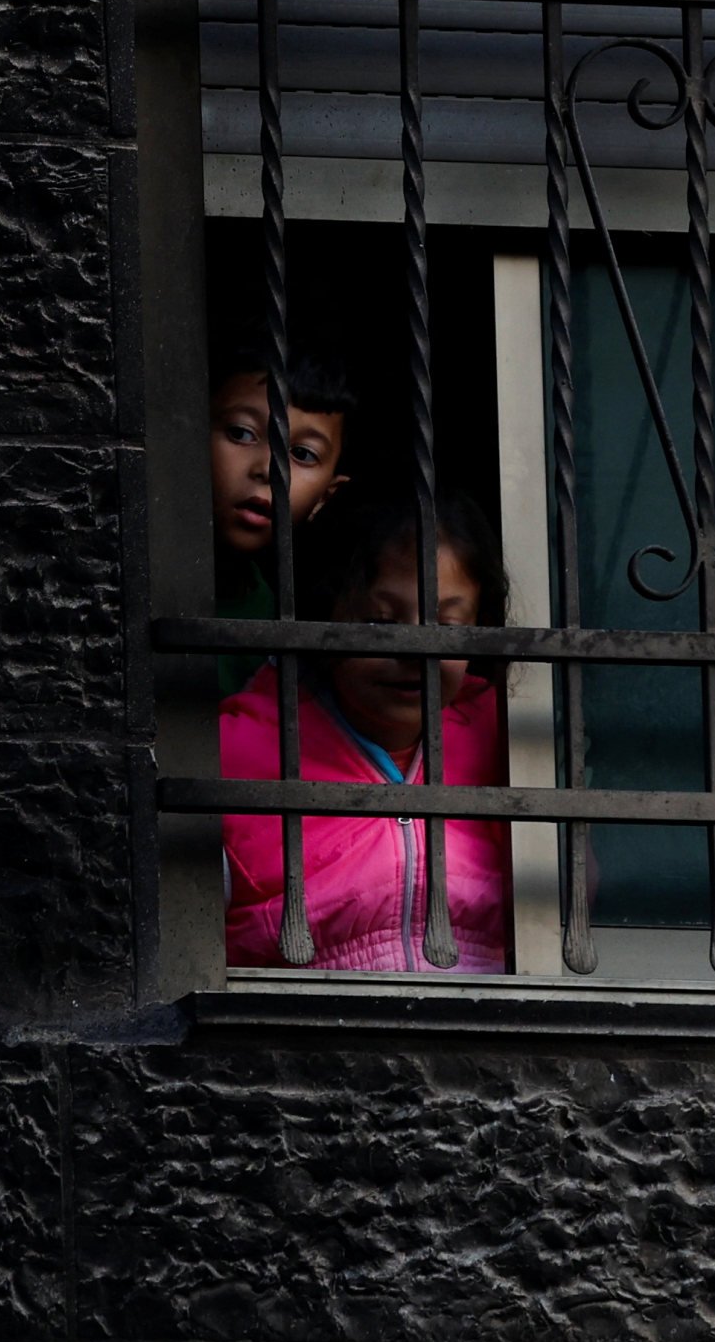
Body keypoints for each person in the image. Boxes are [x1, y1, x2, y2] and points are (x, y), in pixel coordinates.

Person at [219, 490, 512, 974]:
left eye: (448, 623)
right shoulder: (243, 748)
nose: (417, 650)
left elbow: (574, 897)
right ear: (325, 615)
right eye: (380, 621)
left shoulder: (506, 738)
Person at [207, 341, 352, 692]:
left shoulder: (278, 615)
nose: (269, 470)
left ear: (325, 497)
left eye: (302, 454)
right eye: (242, 433)